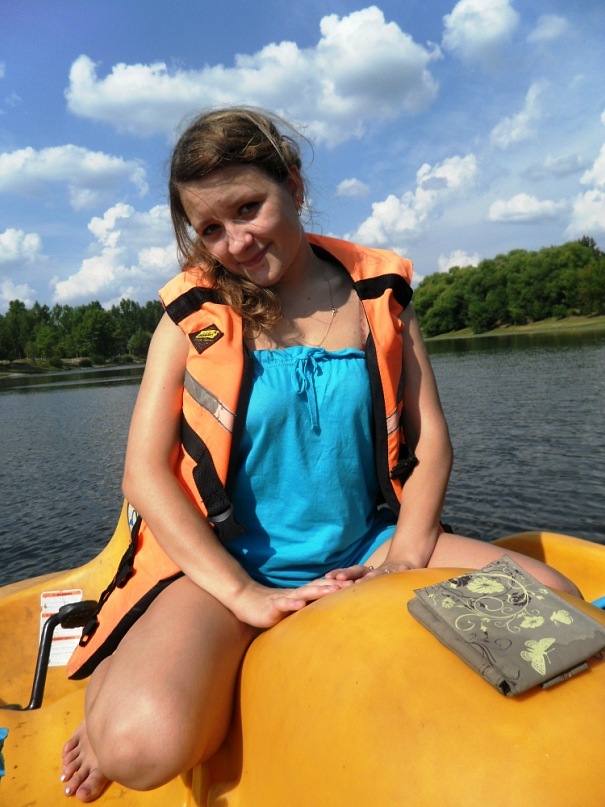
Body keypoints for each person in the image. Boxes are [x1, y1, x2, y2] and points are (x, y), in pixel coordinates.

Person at [60, 106, 580, 802]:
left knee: (556, 609)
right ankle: (117, 682)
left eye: (249, 207)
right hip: (230, 565)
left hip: (370, 544)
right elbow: (144, 474)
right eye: (210, 228)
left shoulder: (379, 297)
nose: (236, 242)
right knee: (141, 746)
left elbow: (431, 443)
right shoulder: (190, 317)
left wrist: (401, 562)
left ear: (294, 185)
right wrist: (244, 595)